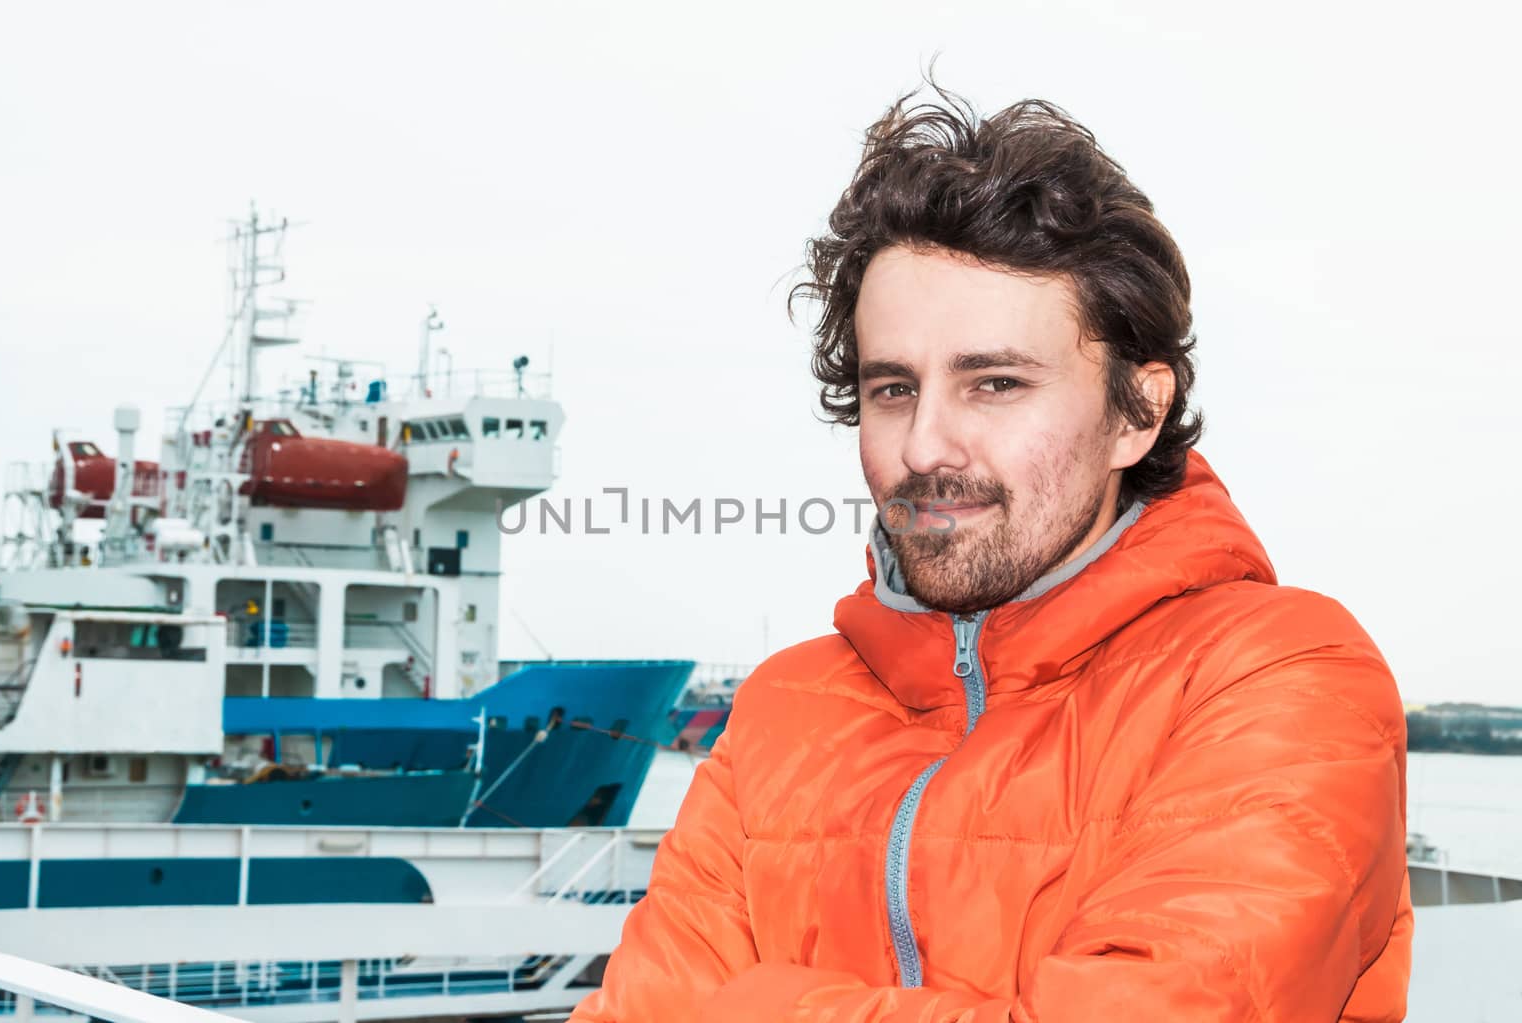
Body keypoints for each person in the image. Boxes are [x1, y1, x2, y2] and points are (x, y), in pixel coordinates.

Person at [571, 85, 1411, 1022]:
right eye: (892, 389)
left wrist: (753, 1004)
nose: (925, 444)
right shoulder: (780, 714)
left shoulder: (1279, 672)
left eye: (996, 383)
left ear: (1138, 410)